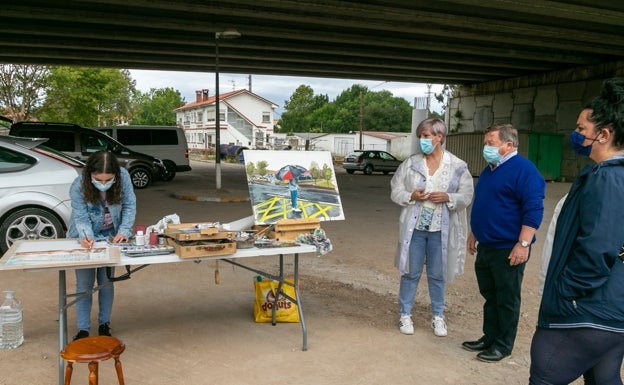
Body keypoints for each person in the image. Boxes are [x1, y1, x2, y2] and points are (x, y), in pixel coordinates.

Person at [529, 78, 624, 385]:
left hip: (586, 312)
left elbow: (599, 246)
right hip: (610, 310)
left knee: (544, 377)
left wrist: (567, 292)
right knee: (604, 378)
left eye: (582, 129)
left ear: (604, 134)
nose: (577, 134)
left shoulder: (606, 177)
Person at [462, 123, 545, 362]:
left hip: (508, 248)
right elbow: (485, 204)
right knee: (491, 295)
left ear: (509, 145)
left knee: (507, 298)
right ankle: (489, 337)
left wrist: (524, 244)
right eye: (486, 143)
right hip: (487, 246)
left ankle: (503, 345)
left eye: (491, 143)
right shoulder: (491, 169)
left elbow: (533, 210)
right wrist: (474, 232)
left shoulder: (524, 171)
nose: (486, 147)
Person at [390, 118, 474, 337]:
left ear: (440, 137)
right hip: (415, 229)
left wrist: (448, 197)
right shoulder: (410, 164)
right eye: (420, 136)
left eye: (427, 136)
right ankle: (405, 314)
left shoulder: (457, 166)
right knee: (410, 272)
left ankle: (438, 316)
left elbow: (466, 195)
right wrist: (411, 195)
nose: (422, 140)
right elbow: (395, 190)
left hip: (440, 230)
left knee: (438, 275)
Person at [66, 150, 136, 340]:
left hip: (111, 236)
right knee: (84, 284)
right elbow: (80, 216)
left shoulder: (124, 178)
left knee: (106, 283)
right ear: (90, 174)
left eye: (108, 180)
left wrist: (124, 230)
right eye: (99, 180)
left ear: (115, 175)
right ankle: (83, 329)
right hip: (85, 237)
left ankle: (104, 324)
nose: (103, 184)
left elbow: (129, 205)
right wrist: (86, 236)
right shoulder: (78, 184)